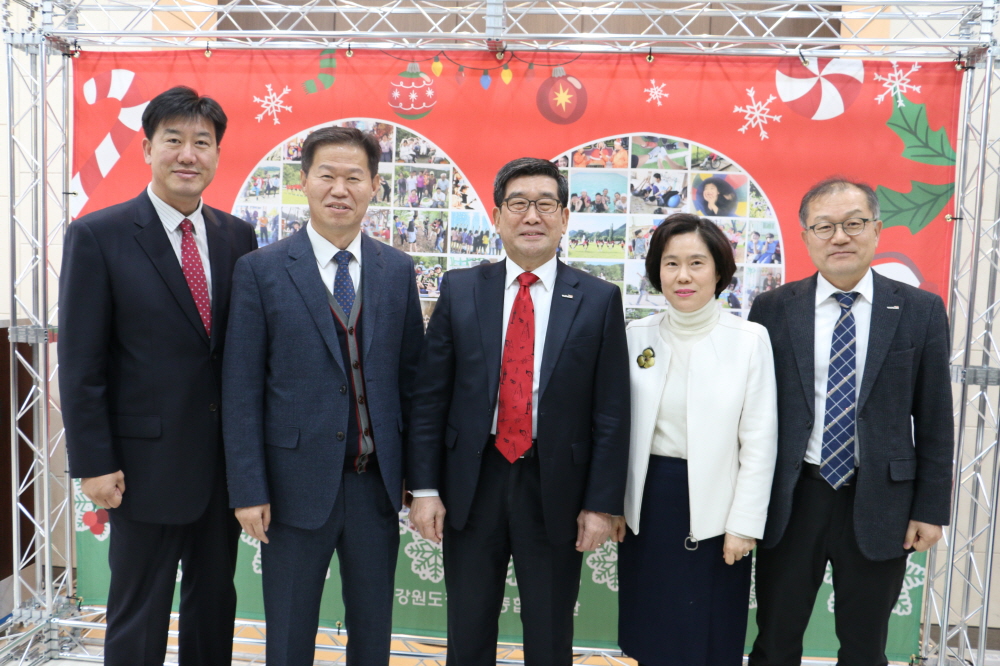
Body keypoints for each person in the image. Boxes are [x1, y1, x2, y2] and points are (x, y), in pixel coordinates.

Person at [59, 86, 257, 666]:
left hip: (221, 470)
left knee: (214, 608)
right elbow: (81, 362)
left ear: (217, 154)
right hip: (140, 470)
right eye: (173, 140)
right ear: (147, 148)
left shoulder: (237, 237)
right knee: (138, 615)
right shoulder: (98, 235)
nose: (188, 154)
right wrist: (93, 463)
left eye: (202, 142)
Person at [407, 157, 630, 665]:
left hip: (556, 487)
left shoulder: (598, 299)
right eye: (519, 204)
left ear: (565, 216)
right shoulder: (461, 288)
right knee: (468, 627)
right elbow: (430, 399)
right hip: (472, 481)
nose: (532, 216)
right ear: (497, 215)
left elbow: (612, 411)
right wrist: (424, 489)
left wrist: (601, 504)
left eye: (546, 204)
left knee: (550, 634)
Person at [223, 127, 424, 666]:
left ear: (375, 186)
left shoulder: (397, 270)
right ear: (304, 181)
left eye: (354, 177)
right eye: (327, 175)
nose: (340, 189)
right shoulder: (261, 270)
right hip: (291, 489)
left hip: (374, 486)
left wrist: (418, 476)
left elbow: (412, 383)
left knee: (373, 635)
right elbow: (241, 388)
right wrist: (248, 488)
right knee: (289, 638)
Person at [747, 178, 954, 666]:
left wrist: (931, 509)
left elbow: (935, 419)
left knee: (865, 648)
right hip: (794, 497)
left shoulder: (920, 310)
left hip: (881, 499)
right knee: (775, 641)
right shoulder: (773, 308)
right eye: (824, 226)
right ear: (806, 237)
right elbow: (752, 410)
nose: (839, 236)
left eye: (853, 224)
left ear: (876, 229)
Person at [616, 214, 776, 666]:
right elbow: (616, 430)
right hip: (648, 505)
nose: (683, 276)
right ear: (657, 271)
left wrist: (744, 524)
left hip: (717, 510)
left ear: (719, 270)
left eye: (696, 263)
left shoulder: (749, 340)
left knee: (708, 637)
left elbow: (760, 440)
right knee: (651, 635)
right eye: (671, 264)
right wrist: (614, 505)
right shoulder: (636, 335)